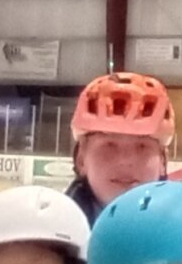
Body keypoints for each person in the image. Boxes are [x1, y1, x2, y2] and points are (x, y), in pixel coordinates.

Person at [65, 73, 175, 223]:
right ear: (81, 160)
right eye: (109, 145)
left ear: (163, 161)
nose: (125, 161)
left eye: (142, 146)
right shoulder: (45, 231)